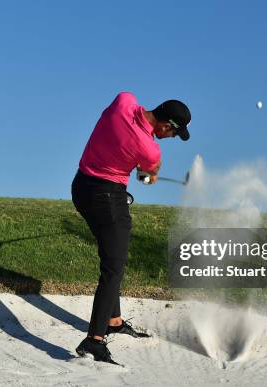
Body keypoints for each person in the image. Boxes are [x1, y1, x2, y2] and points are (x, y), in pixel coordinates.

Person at [71, 91, 191, 365]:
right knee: (114, 266)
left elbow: (122, 136)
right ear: (166, 126)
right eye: (174, 133)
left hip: (81, 187)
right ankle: (95, 340)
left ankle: (113, 320)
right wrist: (151, 172)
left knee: (110, 256)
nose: (171, 137)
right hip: (108, 197)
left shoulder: (123, 100)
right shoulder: (150, 149)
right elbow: (147, 176)